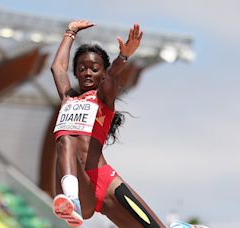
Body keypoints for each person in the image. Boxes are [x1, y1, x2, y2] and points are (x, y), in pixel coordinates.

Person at [50, 19, 165, 227]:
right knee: (65, 140)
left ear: (102, 74)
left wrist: (123, 56)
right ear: (75, 72)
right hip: (76, 183)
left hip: (104, 179)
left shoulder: (102, 98)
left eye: (94, 69)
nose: (87, 72)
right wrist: (70, 32)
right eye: (82, 68)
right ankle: (72, 201)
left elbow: (112, 74)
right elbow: (58, 67)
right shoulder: (68, 98)